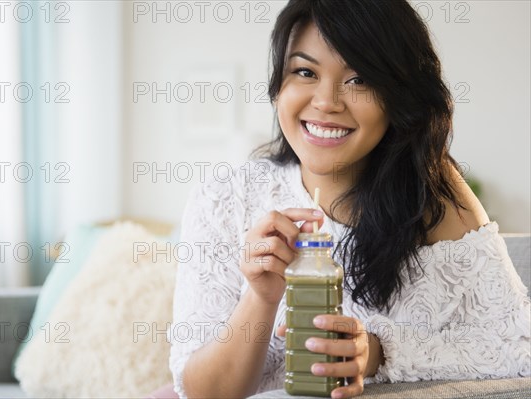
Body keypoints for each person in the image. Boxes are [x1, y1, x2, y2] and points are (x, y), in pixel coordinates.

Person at [168, 1, 531, 398]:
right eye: (305, 71)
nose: (326, 102)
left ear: (399, 95)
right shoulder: (226, 196)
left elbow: (520, 346)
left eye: (359, 79)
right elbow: (202, 393)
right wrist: (261, 297)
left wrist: (379, 352)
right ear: (278, 87)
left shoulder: (435, 198)